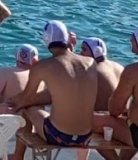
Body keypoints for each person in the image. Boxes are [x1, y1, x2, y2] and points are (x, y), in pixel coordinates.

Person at [13, 21, 97, 151]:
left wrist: (10, 104)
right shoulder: (90, 63)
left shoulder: (42, 66)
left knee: (27, 109)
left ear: (46, 40)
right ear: (67, 39)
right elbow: (71, 80)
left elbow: (26, 99)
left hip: (59, 136)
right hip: (85, 137)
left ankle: (18, 157)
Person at [106, 28, 138, 156]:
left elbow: (115, 110)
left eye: (134, 38)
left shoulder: (133, 71)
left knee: (90, 122)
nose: (130, 40)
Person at [0, 45, 38, 114]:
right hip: (29, 120)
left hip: (7, 119)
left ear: (16, 56)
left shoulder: (5, 72)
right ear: (35, 60)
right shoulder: (41, 78)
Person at [81, 37, 126, 113]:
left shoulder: (93, 71)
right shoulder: (119, 66)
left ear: (96, 51)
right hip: (122, 117)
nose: (80, 53)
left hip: (101, 118)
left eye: (84, 50)